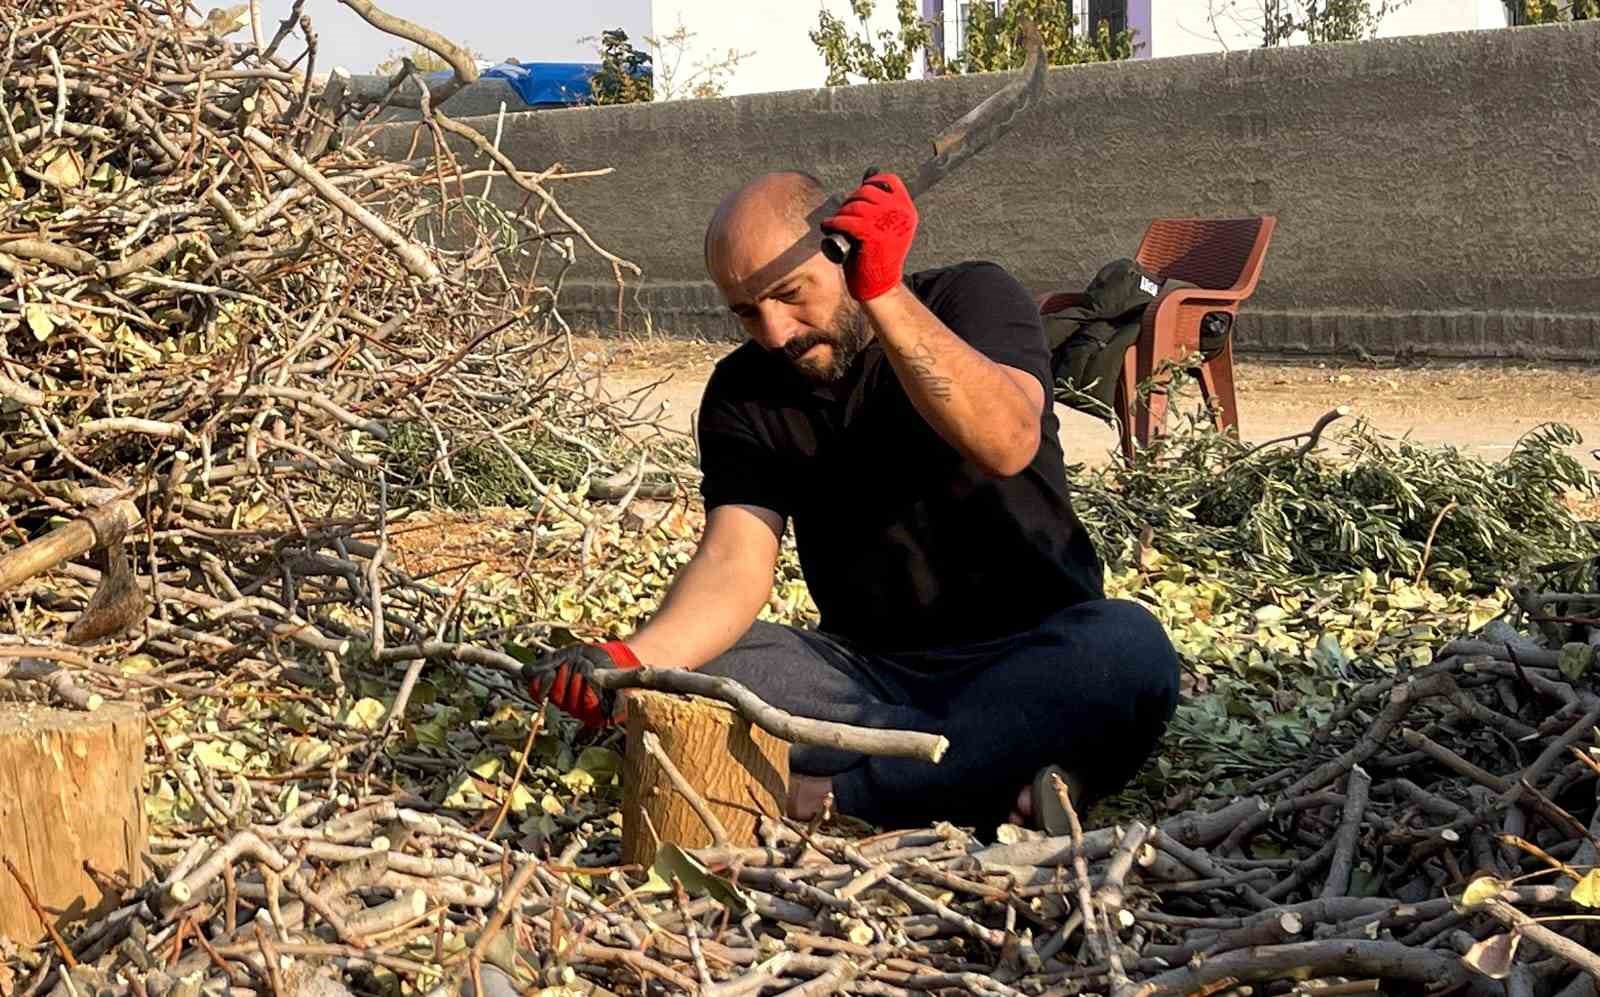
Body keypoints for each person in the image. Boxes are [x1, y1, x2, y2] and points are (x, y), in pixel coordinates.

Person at [522, 169, 1180, 833]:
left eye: (788, 293)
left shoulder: (973, 296)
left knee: (1130, 650)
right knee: (706, 669)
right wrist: (632, 663)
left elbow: (1006, 439)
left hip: (1036, 652)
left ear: (842, 253)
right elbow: (733, 562)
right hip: (865, 681)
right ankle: (999, 770)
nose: (775, 331)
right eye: (748, 311)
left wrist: (884, 293)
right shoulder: (742, 392)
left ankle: (832, 795)